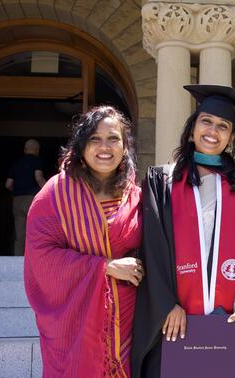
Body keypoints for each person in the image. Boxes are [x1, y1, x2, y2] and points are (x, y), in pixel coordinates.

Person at [131, 85, 235, 378]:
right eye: (206, 121)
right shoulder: (162, 181)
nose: (213, 130)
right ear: (193, 127)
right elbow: (152, 247)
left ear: (232, 137)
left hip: (229, 321)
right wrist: (166, 303)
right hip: (174, 320)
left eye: (223, 126)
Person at [24, 105, 144, 377]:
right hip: (75, 325)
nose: (105, 146)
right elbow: (41, 257)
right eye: (95, 139)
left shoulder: (137, 197)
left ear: (125, 147)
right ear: (81, 145)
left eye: (114, 138)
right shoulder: (55, 195)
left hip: (128, 320)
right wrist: (105, 267)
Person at [5, 138, 46, 255]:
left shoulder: (16, 163)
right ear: (37, 150)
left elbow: (8, 184)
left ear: (25, 150)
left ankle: (18, 260)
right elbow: (38, 178)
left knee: (19, 234)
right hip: (32, 200)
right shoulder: (37, 162)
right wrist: (48, 189)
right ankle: (33, 259)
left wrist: (16, 191)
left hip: (17, 200)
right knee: (34, 231)